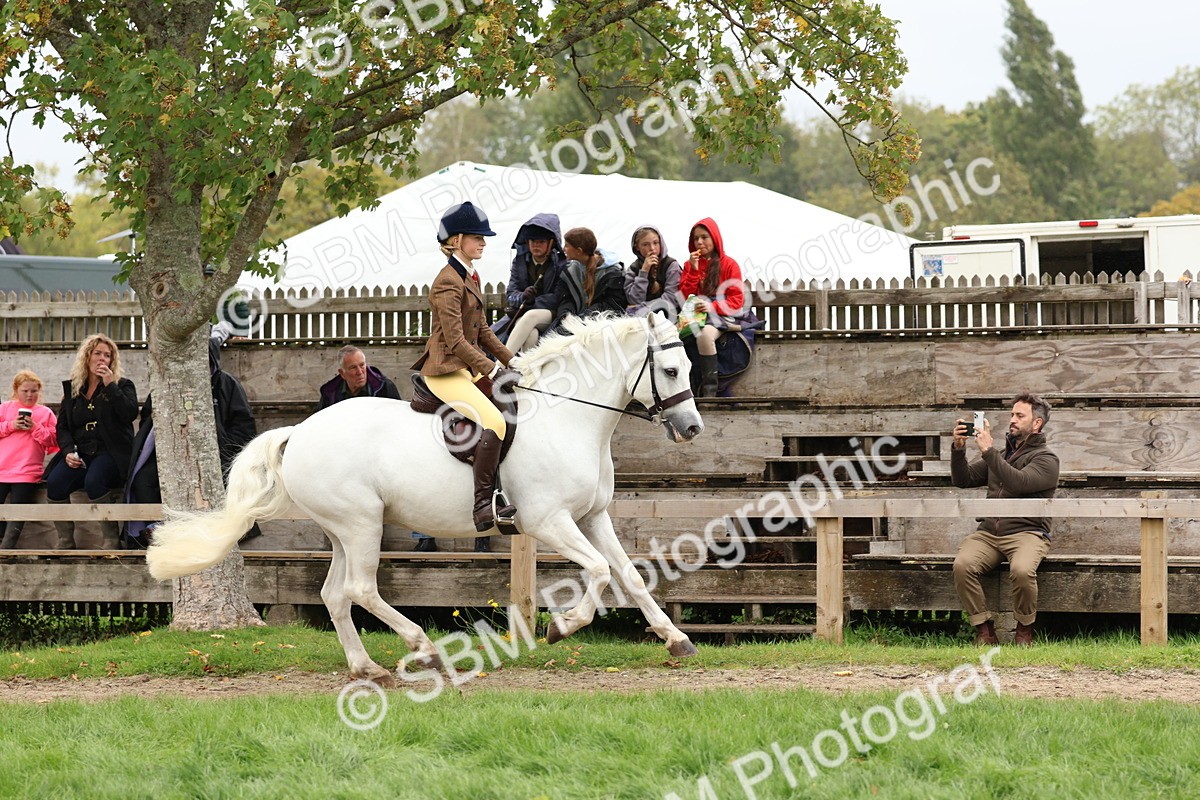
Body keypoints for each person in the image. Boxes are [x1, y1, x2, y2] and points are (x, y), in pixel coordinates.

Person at [412, 200, 519, 542]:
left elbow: (483, 330)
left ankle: (501, 488)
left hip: (466, 367)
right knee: (495, 421)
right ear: (457, 240)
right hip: (445, 369)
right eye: (477, 237)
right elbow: (456, 341)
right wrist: (492, 369)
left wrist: (514, 361)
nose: (484, 242)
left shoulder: (470, 274)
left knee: (512, 402)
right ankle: (483, 505)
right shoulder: (447, 281)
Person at [124, 327, 258, 547]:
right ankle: (156, 532)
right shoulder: (166, 383)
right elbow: (148, 417)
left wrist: (221, 452)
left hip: (215, 457)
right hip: (170, 455)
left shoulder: (226, 384)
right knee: (143, 479)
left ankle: (217, 537)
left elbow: (243, 426)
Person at [951, 393, 1060, 646]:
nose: (1012, 420)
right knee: (962, 565)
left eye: (1020, 415)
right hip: (989, 533)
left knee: (1021, 570)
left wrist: (988, 451)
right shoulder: (1001, 455)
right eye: (1012, 414)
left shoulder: (1046, 459)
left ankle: (1024, 629)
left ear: (1037, 423)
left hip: (1028, 533)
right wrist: (959, 448)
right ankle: (984, 629)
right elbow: (963, 479)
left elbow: (1019, 483)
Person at [44, 334, 139, 550]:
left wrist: (110, 385)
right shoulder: (73, 389)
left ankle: (111, 540)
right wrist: (68, 451)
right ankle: (65, 541)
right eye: (97, 353)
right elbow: (63, 427)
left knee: (94, 481)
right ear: (87, 357)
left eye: (107, 355)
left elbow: (129, 414)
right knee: (55, 483)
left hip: (111, 451)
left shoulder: (123, 385)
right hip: (81, 451)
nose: (102, 359)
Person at [679, 217, 747, 397]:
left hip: (723, 315)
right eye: (696, 238)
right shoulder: (689, 265)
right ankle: (687, 388)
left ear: (715, 238)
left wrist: (712, 306)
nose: (699, 242)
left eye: (704, 237)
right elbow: (685, 296)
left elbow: (737, 300)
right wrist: (693, 270)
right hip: (696, 316)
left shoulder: (729, 264)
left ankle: (710, 391)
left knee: (704, 335)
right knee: (677, 337)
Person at [0, 371, 59, 548]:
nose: (29, 395)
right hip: (2, 469)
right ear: (16, 390)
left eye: (34, 391)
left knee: (18, 513)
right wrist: (11, 425)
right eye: (25, 391)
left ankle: (6, 551)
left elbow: (54, 440)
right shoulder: (5, 408)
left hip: (27, 472)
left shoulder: (45, 413)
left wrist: (35, 427)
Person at [501, 213, 568, 352]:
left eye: (541, 241)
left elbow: (557, 297)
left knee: (530, 316)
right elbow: (510, 294)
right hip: (524, 315)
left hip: (551, 314)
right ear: (527, 242)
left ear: (551, 243)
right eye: (532, 241)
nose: (536, 245)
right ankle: (525, 366)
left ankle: (501, 362)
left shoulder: (561, 264)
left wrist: (532, 302)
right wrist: (523, 297)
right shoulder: (519, 262)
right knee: (531, 334)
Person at [550, 227, 628, 333]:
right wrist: (566, 315)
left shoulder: (613, 273)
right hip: (572, 321)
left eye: (567, 246)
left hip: (600, 326)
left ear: (579, 251)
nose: (563, 249)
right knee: (549, 336)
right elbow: (565, 299)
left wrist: (581, 319)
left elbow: (613, 305)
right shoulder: (570, 270)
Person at [317, 345, 402, 410]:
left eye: (362, 365)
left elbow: (398, 417)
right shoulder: (330, 393)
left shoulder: (384, 387)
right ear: (342, 373)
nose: (360, 372)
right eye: (353, 367)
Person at [624, 224, 682, 317]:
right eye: (645, 244)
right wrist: (644, 272)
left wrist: (644, 308)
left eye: (655, 243)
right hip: (641, 318)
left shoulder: (671, 265)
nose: (652, 248)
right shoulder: (633, 269)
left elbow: (671, 299)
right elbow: (634, 300)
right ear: (637, 247)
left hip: (668, 316)